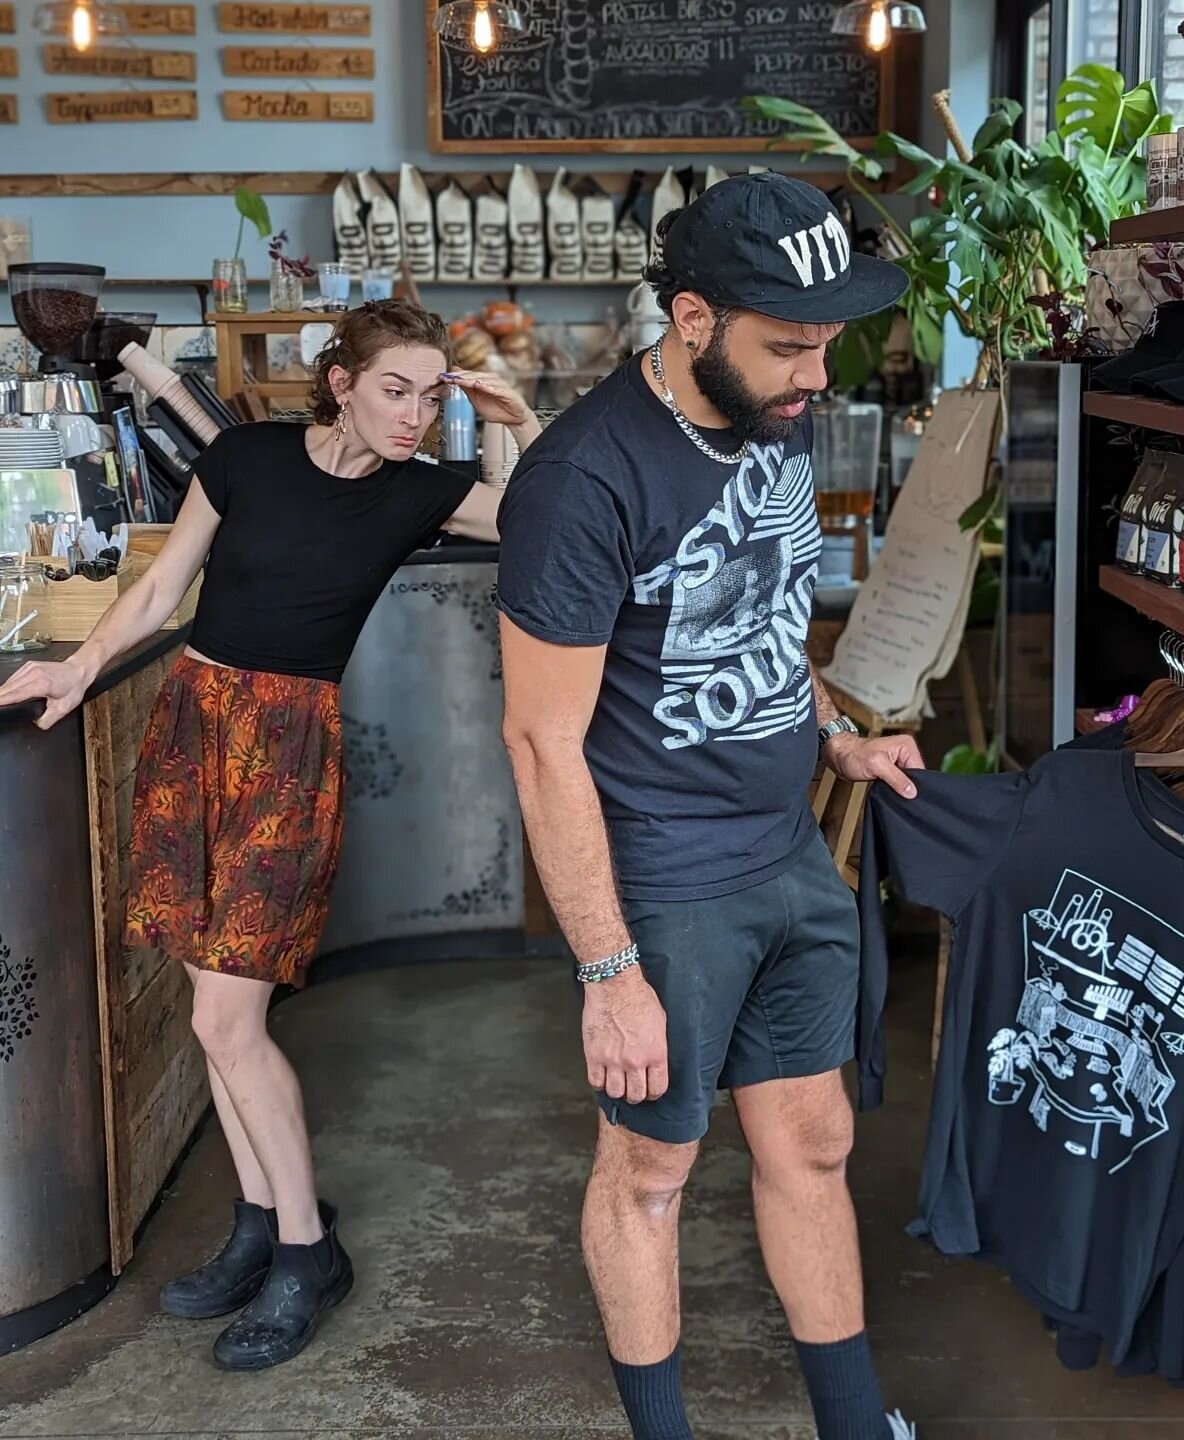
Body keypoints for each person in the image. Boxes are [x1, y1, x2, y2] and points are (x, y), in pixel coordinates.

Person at [0, 300, 541, 1371]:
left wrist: (512, 420)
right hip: (195, 727)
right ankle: (258, 1222)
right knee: (215, 1019)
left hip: (291, 752)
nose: (416, 415)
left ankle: (304, 1248)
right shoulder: (246, 457)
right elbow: (160, 587)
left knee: (227, 1017)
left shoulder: (418, 491)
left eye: (433, 397)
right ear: (340, 379)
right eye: (399, 388)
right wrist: (74, 662)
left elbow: (530, 520)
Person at [497, 173, 925, 1440]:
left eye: (825, 340)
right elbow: (540, 741)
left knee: (814, 1140)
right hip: (664, 887)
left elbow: (757, 615)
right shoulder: (583, 482)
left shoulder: (773, 413)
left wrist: (830, 732)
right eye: (786, 342)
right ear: (690, 318)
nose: (815, 371)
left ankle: (855, 1425)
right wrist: (608, 968)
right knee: (650, 1171)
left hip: (785, 850)